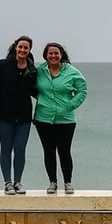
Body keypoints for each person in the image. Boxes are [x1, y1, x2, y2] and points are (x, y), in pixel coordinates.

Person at [34, 42, 89, 195]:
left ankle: (68, 182)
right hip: (43, 118)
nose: (53, 56)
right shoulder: (40, 71)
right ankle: (52, 182)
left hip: (66, 119)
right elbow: (30, 86)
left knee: (64, 151)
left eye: (56, 53)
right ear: (46, 55)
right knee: (48, 151)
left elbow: (82, 90)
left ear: (61, 54)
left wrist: (70, 105)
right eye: (50, 53)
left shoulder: (72, 71)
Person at [0, 36, 38, 195]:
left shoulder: (32, 69)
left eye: (26, 48)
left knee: (20, 149)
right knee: (5, 149)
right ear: (15, 47)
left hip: (24, 115)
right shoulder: (3, 65)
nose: (23, 50)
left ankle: (18, 181)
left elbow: (37, 91)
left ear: (29, 50)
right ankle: (7, 182)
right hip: (5, 114)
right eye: (20, 47)